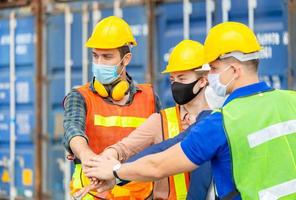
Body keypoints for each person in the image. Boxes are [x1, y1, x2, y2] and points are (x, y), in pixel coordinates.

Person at [82, 21, 296, 200]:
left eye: (213, 68)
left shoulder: (222, 122)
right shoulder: (291, 101)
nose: (210, 75)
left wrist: (116, 171)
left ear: (234, 70)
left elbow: (159, 165)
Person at [76, 39, 226, 199]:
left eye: (182, 79)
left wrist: (116, 171)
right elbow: (125, 148)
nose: (176, 85)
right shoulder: (160, 121)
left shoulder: (219, 122)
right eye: (172, 80)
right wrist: (108, 160)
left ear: (203, 80)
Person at [63, 16, 161, 199]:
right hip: (92, 194)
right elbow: (72, 128)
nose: (99, 63)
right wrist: (85, 155)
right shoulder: (80, 96)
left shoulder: (149, 98)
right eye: (95, 56)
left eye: (107, 56)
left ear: (126, 59)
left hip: (141, 195)